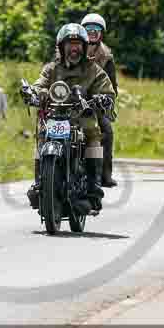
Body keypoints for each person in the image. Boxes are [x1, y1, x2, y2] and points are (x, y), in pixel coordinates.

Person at [23, 23, 116, 212]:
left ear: (83, 47)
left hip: (82, 118)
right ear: (61, 47)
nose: (74, 49)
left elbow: (108, 90)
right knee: (41, 136)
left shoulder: (94, 69)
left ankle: (93, 187)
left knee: (93, 137)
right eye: (69, 45)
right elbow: (39, 83)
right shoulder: (51, 68)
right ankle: (40, 182)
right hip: (55, 116)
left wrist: (102, 99)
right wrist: (36, 93)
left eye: (78, 45)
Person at [81, 13, 119, 187]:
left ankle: (105, 175)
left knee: (107, 131)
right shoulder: (70, 47)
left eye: (96, 30)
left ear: (101, 33)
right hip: (71, 98)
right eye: (88, 29)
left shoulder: (106, 56)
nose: (92, 33)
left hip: (94, 102)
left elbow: (112, 85)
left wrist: (106, 99)